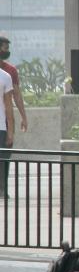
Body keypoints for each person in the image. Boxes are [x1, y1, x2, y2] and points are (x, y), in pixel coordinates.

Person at [0, 37, 27, 133]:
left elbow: (17, 95)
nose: (7, 51)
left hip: (6, 119)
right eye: (5, 48)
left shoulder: (11, 70)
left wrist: (24, 117)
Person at [0, 68, 13, 198]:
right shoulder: (5, 76)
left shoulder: (5, 76)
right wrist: (10, 132)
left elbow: (8, 106)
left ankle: (2, 191)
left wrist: (10, 131)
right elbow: (9, 106)